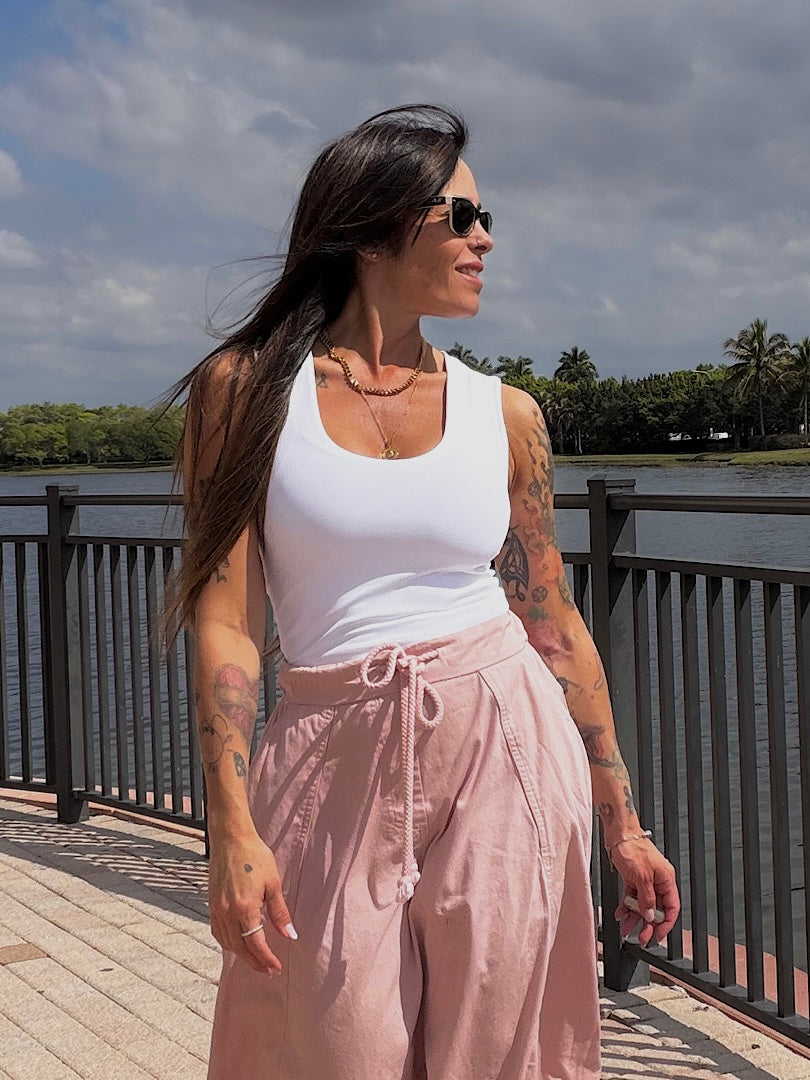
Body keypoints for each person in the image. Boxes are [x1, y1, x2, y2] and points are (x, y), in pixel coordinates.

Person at [168, 104, 680, 1080]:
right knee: (334, 1048)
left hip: (505, 746)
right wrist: (230, 826)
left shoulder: (509, 416)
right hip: (328, 750)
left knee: (507, 1055)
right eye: (459, 218)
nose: (484, 240)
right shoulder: (243, 393)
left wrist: (622, 820)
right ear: (369, 231)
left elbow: (548, 616)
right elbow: (228, 621)